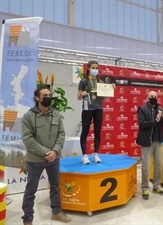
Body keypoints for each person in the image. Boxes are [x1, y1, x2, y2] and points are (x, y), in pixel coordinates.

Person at [21, 86, 71, 225]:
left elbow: (61, 134)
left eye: (49, 94)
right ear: (37, 98)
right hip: (35, 160)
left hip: (54, 159)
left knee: (55, 187)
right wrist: (45, 152)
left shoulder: (56, 114)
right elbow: (28, 139)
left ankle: (56, 213)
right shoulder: (28, 116)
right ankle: (27, 220)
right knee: (30, 191)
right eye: (45, 95)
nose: (48, 97)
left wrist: (54, 151)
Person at [77, 60, 115, 164]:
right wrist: (83, 93)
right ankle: (84, 155)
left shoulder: (101, 83)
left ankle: (96, 154)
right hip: (87, 108)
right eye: (93, 68)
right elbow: (78, 97)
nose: (95, 70)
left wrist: (111, 90)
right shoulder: (83, 81)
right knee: (85, 131)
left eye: (96, 68)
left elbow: (105, 98)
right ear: (88, 68)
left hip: (98, 108)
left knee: (97, 131)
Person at [136, 91, 163, 200]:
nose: (154, 98)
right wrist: (155, 121)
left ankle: (156, 186)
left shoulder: (160, 108)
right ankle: (145, 188)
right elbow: (142, 124)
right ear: (147, 98)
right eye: (151, 96)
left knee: (158, 166)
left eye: (155, 96)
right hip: (146, 143)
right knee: (145, 167)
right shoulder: (142, 109)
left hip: (158, 142)